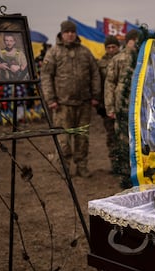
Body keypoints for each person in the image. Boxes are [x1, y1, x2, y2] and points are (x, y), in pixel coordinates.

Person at [41, 20, 101, 178]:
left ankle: (82, 166)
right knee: (63, 139)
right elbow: (46, 76)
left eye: (72, 32)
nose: (70, 34)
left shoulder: (85, 52)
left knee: (82, 138)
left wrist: (96, 95)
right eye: (67, 32)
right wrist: (50, 99)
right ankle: (64, 168)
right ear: (61, 33)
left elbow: (95, 74)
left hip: (84, 104)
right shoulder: (53, 53)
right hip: (62, 105)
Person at [104, 29, 139, 188]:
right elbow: (110, 84)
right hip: (123, 110)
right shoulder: (119, 59)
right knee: (123, 143)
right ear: (129, 41)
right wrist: (110, 107)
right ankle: (125, 176)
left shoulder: (145, 59)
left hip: (142, 111)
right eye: (135, 40)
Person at [97, 35, 120, 162]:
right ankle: (114, 161)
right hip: (106, 105)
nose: (111, 50)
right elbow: (97, 83)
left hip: (121, 103)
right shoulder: (100, 63)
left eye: (114, 47)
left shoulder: (123, 60)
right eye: (108, 47)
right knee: (111, 134)